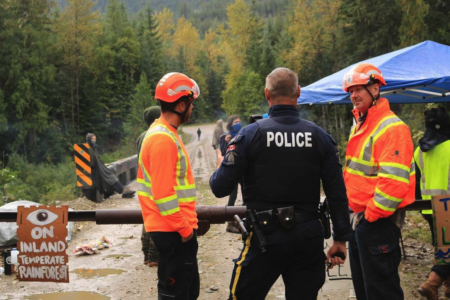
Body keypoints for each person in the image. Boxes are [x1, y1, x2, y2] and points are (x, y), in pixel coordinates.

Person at [210, 67, 351, 300]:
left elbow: (219, 187)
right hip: (308, 239)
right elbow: (337, 193)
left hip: (265, 237)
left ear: (267, 94)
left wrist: (226, 156)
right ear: (298, 92)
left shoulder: (249, 134)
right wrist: (340, 238)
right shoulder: (320, 136)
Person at [342, 63, 416, 300]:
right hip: (361, 222)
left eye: (358, 89)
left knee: (382, 293)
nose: (353, 95)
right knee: (365, 291)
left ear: (375, 89)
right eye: (350, 90)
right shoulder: (361, 125)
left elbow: (394, 185)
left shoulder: (392, 127)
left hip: (378, 222)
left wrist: (369, 217)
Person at [137, 72, 200, 300]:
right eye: (190, 104)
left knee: (187, 291)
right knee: (176, 294)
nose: (192, 109)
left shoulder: (164, 131)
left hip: (172, 228)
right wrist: (185, 231)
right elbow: (163, 194)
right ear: (181, 105)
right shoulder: (163, 138)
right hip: (172, 230)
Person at [416, 107, 450, 300]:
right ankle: (432, 283)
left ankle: (448, 288)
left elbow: (416, 182)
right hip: (448, 205)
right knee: (447, 248)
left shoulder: (418, 151)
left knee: (443, 246)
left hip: (428, 207)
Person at [136, 106, 161, 267]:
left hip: (144, 182)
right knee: (157, 218)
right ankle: (154, 256)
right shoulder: (156, 135)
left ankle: (146, 254)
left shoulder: (141, 137)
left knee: (147, 217)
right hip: (155, 181)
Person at [85, 133, 135, 200]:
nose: (94, 140)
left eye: (95, 139)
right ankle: (123, 190)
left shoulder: (94, 148)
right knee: (109, 178)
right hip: (96, 170)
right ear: (89, 139)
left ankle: (123, 190)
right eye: (92, 139)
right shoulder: (87, 149)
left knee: (110, 175)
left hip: (100, 168)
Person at [219, 115, 242, 233]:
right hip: (232, 169)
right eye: (235, 122)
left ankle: (242, 220)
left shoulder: (243, 134)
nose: (238, 124)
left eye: (239, 121)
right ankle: (230, 223)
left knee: (248, 194)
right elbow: (223, 152)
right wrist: (227, 142)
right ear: (230, 124)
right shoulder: (225, 136)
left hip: (243, 169)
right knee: (232, 196)